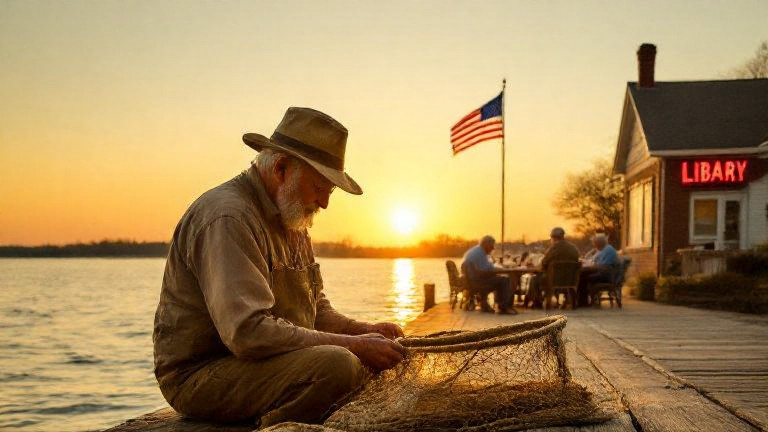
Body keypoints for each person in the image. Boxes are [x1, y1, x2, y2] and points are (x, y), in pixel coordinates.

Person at [153, 107, 407, 427]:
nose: (325, 203)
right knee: (339, 366)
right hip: (200, 375)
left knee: (356, 360)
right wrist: (355, 346)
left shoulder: (294, 218)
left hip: (264, 363)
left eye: (329, 192)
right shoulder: (228, 218)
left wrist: (363, 330)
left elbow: (316, 311)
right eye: (319, 188)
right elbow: (248, 334)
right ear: (282, 168)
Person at [524, 227, 580, 308]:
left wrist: (535, 267)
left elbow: (544, 263)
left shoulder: (554, 249)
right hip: (570, 280)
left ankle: (536, 302)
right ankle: (572, 302)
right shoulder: (573, 248)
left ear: (553, 238)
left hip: (552, 280)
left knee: (534, 279)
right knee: (538, 278)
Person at [460, 235, 515, 314]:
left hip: (471, 281)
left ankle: (497, 304)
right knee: (504, 280)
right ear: (486, 244)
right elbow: (486, 269)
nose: (493, 248)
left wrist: (495, 270)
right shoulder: (479, 253)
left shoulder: (476, 251)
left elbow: (485, 268)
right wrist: (502, 269)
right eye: (492, 246)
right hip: (476, 283)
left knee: (498, 278)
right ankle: (503, 307)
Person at [584, 233, 620, 306]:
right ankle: (584, 301)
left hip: (607, 276)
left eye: (594, 243)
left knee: (583, 278)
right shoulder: (603, 250)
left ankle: (584, 301)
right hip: (605, 273)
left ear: (598, 243)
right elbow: (589, 258)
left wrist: (593, 265)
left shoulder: (608, 250)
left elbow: (603, 266)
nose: (594, 245)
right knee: (584, 276)